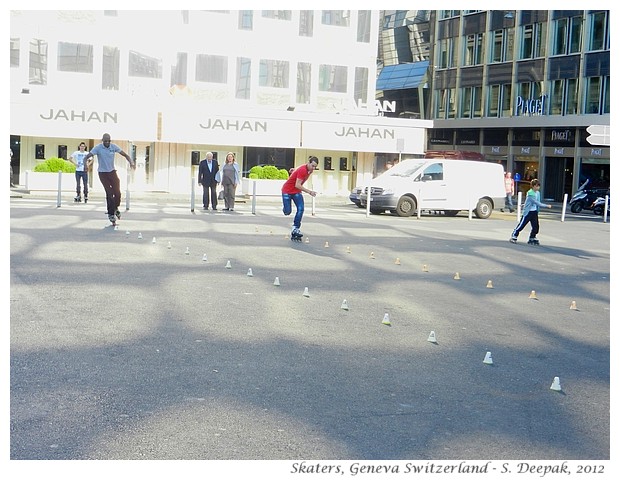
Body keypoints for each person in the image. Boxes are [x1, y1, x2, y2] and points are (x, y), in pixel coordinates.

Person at [83, 133, 135, 224]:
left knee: (117, 193)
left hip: (112, 172)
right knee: (109, 193)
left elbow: (125, 155)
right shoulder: (98, 148)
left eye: (108, 141)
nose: (107, 143)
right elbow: (86, 157)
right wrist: (85, 166)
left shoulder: (113, 147)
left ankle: (115, 208)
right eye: (105, 141)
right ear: (102, 141)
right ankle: (111, 214)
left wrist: (131, 162)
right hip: (103, 173)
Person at [281, 156, 318, 238]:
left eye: (315, 166)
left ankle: (295, 228)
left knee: (301, 209)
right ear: (308, 163)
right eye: (312, 166)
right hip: (287, 191)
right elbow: (297, 185)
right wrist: (309, 192)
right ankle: (285, 208)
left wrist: (294, 170)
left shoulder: (309, 170)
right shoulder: (303, 170)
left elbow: (298, 169)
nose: (313, 168)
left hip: (296, 192)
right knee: (287, 212)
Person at [509, 179, 552, 245]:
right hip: (528, 212)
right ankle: (514, 236)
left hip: (534, 212)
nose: (538, 188)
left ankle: (532, 237)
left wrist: (525, 204)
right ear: (533, 186)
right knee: (521, 225)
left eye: (539, 186)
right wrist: (546, 206)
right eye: (537, 186)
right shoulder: (530, 193)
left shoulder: (538, 193)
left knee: (536, 226)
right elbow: (537, 202)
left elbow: (532, 201)